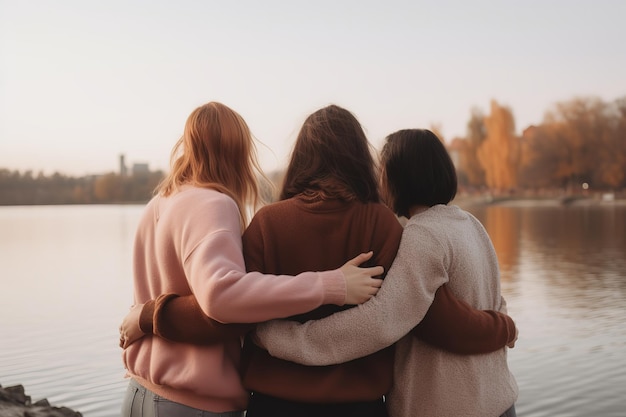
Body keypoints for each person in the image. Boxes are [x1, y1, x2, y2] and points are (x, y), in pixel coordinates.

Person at [121, 107, 517, 417]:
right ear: (359, 156)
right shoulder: (383, 223)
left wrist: (148, 316)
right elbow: (422, 314)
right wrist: (501, 325)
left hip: (275, 404)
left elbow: (234, 316)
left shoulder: (266, 223)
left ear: (302, 157)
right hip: (359, 407)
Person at [120, 101, 387, 417]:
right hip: (191, 403)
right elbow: (223, 300)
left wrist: (145, 316)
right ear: (238, 151)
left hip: (139, 393)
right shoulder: (213, 204)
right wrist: (330, 284)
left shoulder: (158, 205)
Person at [254, 128, 519, 417]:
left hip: (450, 405)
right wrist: (506, 327)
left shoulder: (423, 235)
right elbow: (496, 302)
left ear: (400, 176)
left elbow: (382, 321)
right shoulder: (471, 225)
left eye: (384, 170)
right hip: (499, 399)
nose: (378, 179)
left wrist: (282, 338)